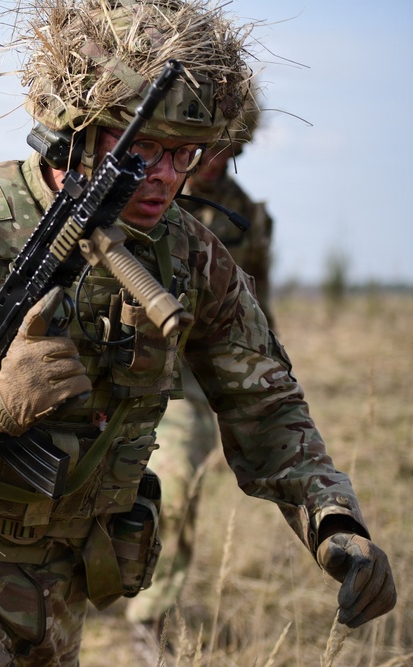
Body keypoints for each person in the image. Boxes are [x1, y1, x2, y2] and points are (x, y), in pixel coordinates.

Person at [0, 0, 396, 663]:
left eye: (184, 153)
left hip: (62, 584)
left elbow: (266, 401)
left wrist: (331, 517)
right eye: (143, 148)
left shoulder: (187, 254)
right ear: (76, 132)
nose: (168, 175)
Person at [124, 95, 277, 638]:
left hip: (184, 378)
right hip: (113, 360)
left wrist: (253, 383)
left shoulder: (248, 219)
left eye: (219, 150)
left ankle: (150, 615)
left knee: (180, 484)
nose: (207, 161)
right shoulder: (134, 189)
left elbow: (254, 313)